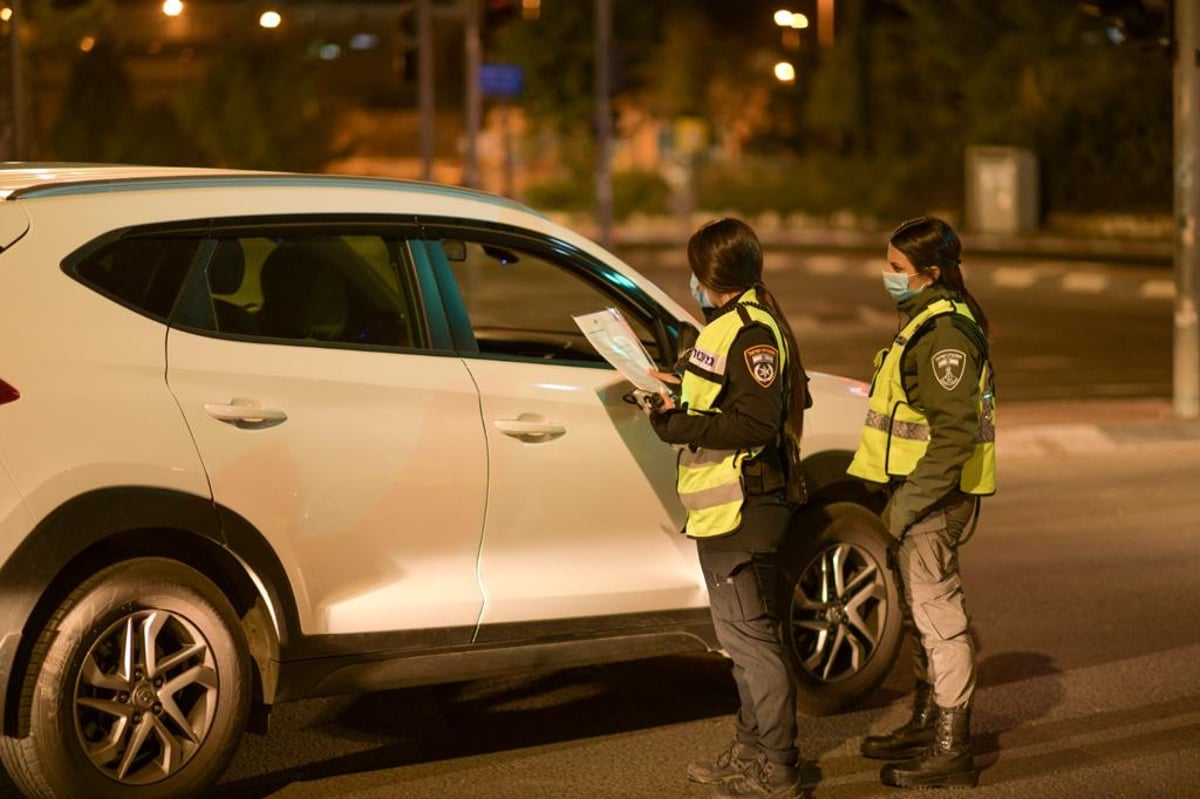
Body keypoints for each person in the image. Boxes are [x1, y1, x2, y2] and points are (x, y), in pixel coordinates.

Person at [645, 217, 811, 798]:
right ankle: (751, 752)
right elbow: (726, 394)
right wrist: (672, 388)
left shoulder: (751, 332)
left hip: (745, 507)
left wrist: (676, 426)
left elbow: (757, 421)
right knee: (742, 644)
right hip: (728, 510)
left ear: (709, 275)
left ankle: (778, 768)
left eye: (694, 272)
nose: (690, 283)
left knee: (752, 644)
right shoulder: (732, 326)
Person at [847, 216, 996, 789]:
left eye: (897, 269)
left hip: (933, 498)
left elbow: (954, 436)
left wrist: (906, 506)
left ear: (930, 274)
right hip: (917, 493)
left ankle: (950, 748)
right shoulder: (925, 319)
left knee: (940, 620)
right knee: (920, 614)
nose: (887, 276)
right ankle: (925, 719)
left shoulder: (945, 335)